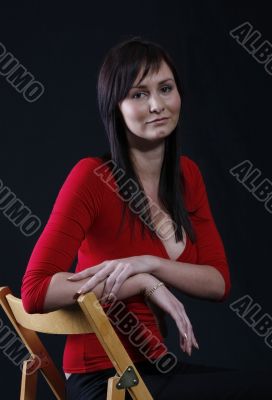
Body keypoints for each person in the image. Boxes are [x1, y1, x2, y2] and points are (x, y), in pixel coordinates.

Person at [21, 36, 272, 399]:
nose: (157, 105)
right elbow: (35, 292)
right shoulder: (92, 178)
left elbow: (218, 282)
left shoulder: (187, 177)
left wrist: (150, 264)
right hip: (103, 380)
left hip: (153, 370)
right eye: (138, 94)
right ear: (115, 107)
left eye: (165, 89)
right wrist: (140, 282)